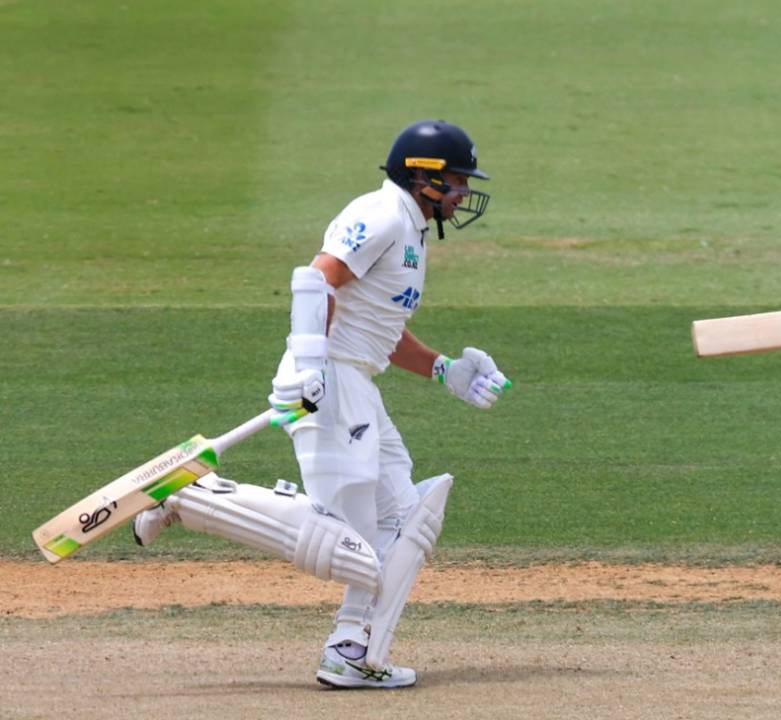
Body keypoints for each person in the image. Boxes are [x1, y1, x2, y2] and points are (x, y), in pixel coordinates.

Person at [133, 119, 511, 686]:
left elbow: (379, 331)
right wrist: (310, 368)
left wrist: (444, 370)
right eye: (455, 182)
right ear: (422, 178)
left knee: (401, 518)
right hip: (328, 380)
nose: (462, 194)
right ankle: (197, 497)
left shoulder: (410, 231)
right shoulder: (381, 213)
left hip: (356, 382)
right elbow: (315, 281)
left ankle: (350, 649)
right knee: (348, 539)